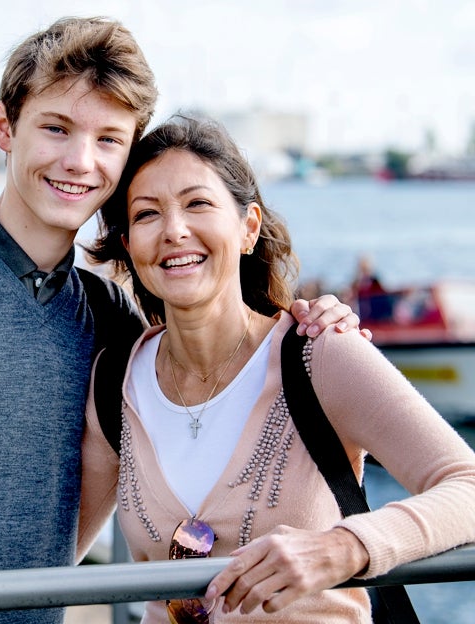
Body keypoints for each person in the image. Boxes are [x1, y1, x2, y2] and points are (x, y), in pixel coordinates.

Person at [0, 17, 360, 624]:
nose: (80, 161)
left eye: (109, 139)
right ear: (4, 126)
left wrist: (313, 320)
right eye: (56, 128)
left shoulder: (107, 313)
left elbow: (206, 366)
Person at [77, 115, 475, 623]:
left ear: (248, 228)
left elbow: (468, 485)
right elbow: (58, 553)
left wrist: (345, 548)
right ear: (130, 246)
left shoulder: (318, 353)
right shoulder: (117, 382)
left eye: (198, 203)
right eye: (147, 214)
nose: (174, 230)